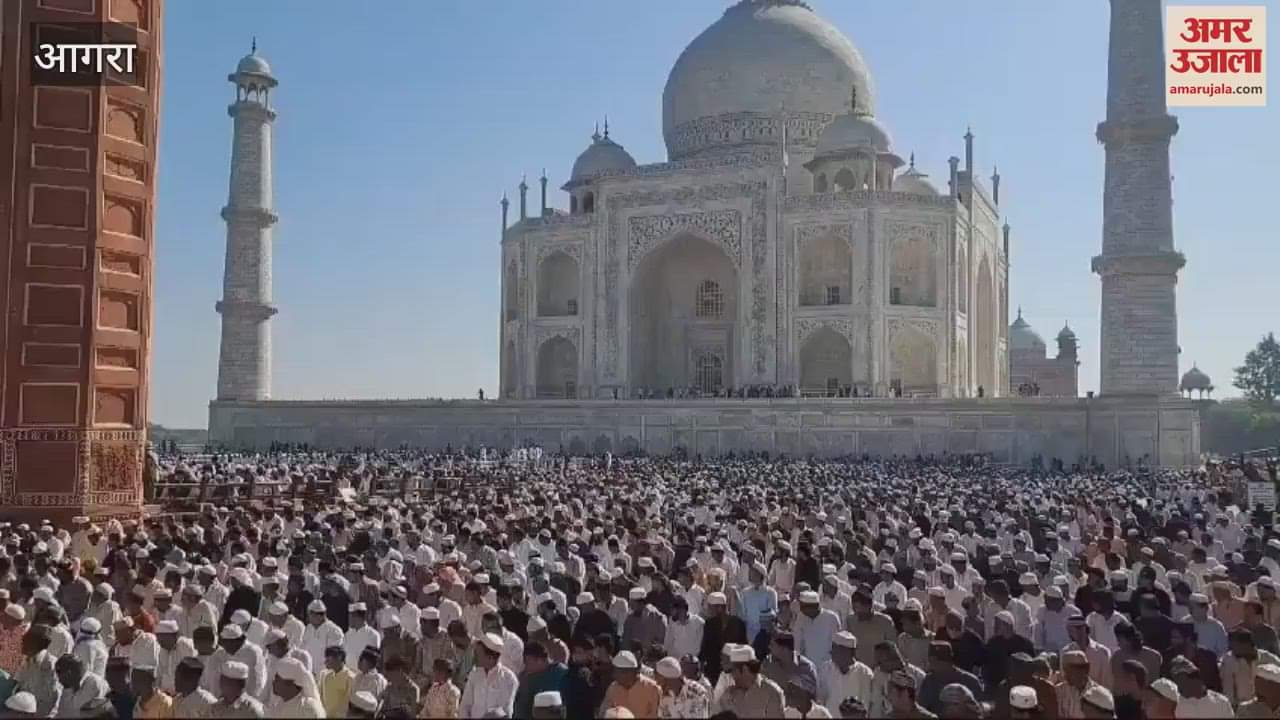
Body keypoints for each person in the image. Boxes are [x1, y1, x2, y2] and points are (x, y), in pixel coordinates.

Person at [715, 645, 785, 719]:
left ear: (744, 669)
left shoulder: (771, 692)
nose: (732, 676)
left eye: (733, 671)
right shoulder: (729, 694)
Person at [460, 632, 518, 719]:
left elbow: (505, 711)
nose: (474, 657)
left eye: (477, 654)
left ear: (490, 658)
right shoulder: (474, 674)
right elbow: (465, 706)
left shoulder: (509, 679)